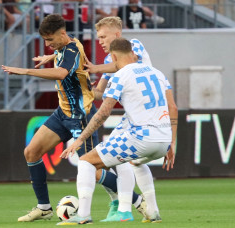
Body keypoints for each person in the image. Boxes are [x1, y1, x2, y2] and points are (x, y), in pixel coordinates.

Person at [32, 16, 149, 223]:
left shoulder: (133, 47)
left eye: (104, 36)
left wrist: (94, 69)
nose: (101, 41)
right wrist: (83, 85)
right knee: (103, 165)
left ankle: (135, 202)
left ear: (117, 34)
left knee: (102, 166)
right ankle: (123, 204)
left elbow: (127, 65)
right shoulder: (104, 60)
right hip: (80, 112)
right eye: (98, 37)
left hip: (142, 116)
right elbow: (99, 94)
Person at [58, 37, 177, 225]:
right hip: (163, 139)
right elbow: (172, 107)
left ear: (113, 57)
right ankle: (153, 212)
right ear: (133, 53)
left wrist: (81, 139)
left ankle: (83, 216)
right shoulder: (158, 73)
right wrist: (172, 142)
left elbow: (104, 112)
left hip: (140, 138)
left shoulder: (121, 76)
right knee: (135, 163)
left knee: (86, 161)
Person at [1, 14, 98, 222]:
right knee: (32, 151)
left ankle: (135, 201)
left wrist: (26, 71)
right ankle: (44, 207)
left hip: (81, 115)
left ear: (62, 33)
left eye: (50, 40)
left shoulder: (71, 49)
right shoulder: (66, 46)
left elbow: (62, 73)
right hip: (63, 112)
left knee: (93, 168)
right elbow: (64, 56)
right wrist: (51, 56)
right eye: (45, 40)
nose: (47, 44)